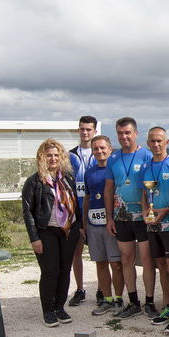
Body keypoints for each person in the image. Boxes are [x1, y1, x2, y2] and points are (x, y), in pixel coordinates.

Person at [21, 138, 81, 327]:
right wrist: (34, 239)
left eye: (56, 155)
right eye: (49, 155)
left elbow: (75, 204)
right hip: (47, 231)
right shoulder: (34, 182)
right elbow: (28, 212)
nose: (53, 159)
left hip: (68, 231)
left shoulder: (68, 179)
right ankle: (48, 310)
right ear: (42, 157)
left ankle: (59, 307)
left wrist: (79, 227)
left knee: (65, 270)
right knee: (50, 272)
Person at [103, 117, 154, 319]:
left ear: (135, 133)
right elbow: (108, 189)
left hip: (143, 217)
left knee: (148, 260)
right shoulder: (113, 158)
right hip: (121, 216)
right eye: (120, 133)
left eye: (127, 133)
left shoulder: (146, 155)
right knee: (126, 259)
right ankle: (133, 301)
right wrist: (109, 217)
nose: (124, 137)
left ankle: (150, 301)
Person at [141, 127, 169, 334]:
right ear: (148, 143)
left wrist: (167, 210)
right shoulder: (145, 166)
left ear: (166, 141)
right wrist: (145, 212)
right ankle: (167, 307)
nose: (156, 144)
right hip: (153, 224)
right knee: (160, 265)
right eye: (152, 141)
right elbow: (144, 193)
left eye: (159, 140)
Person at [83, 135, 125, 317]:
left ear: (110, 149)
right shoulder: (89, 172)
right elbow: (87, 197)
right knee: (100, 263)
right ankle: (106, 299)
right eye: (95, 149)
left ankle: (119, 298)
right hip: (94, 224)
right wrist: (84, 222)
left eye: (102, 148)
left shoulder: (116, 169)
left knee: (116, 264)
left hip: (112, 223)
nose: (99, 152)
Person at [68, 115, 99, 307]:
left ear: (95, 131)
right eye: (82, 129)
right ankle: (80, 289)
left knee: (99, 254)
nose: (85, 132)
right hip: (76, 210)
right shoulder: (69, 155)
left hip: (97, 209)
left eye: (88, 129)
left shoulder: (101, 153)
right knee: (76, 253)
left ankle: (102, 289)